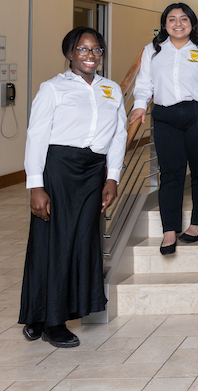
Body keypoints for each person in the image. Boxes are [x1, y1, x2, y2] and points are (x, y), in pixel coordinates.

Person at [20, 27, 126, 348]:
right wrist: (35, 186)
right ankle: (51, 321)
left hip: (93, 171)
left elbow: (119, 135)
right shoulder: (53, 89)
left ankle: (44, 313)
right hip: (59, 168)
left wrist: (113, 177)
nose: (90, 56)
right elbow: (36, 137)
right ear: (69, 54)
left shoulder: (112, 90)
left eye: (96, 51)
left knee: (82, 242)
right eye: (83, 50)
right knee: (54, 241)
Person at [130, 3, 198, 255]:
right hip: (165, 116)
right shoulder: (152, 51)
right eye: (172, 19)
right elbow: (144, 82)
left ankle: (197, 223)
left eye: (184, 19)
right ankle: (170, 229)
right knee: (170, 173)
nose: (178, 24)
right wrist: (138, 106)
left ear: (192, 23)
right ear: (164, 24)